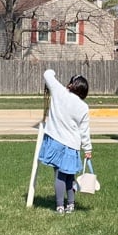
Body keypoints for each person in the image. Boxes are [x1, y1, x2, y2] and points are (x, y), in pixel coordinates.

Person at [38, 68, 92, 213]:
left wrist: (53, 71)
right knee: (69, 175)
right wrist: (87, 148)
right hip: (72, 145)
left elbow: (47, 74)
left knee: (59, 175)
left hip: (55, 141)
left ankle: (60, 205)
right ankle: (71, 204)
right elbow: (84, 130)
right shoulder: (83, 107)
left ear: (71, 85)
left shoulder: (59, 91)